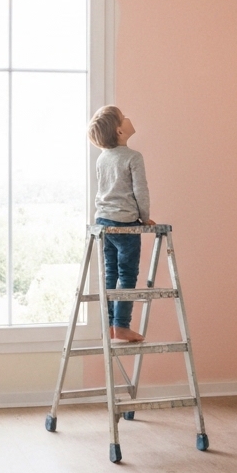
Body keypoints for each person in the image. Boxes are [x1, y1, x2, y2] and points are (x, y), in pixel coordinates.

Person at [88, 105, 154, 343]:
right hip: (124, 223)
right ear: (119, 131)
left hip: (103, 221)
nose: (128, 118)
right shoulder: (133, 157)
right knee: (126, 274)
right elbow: (140, 191)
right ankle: (122, 326)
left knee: (110, 273)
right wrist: (145, 217)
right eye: (123, 118)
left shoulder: (103, 158)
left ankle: (108, 326)